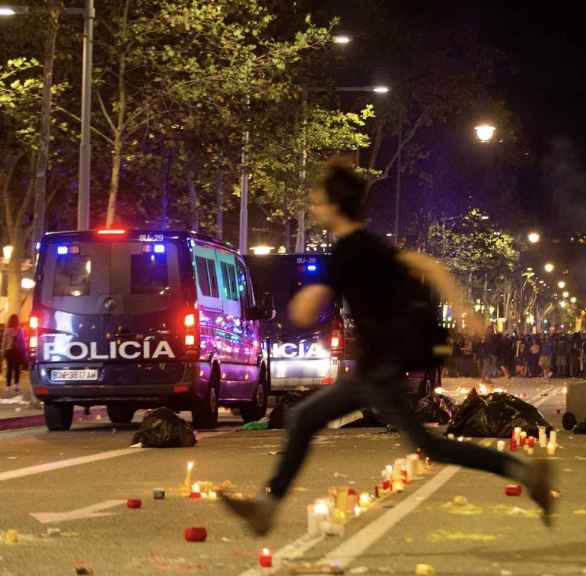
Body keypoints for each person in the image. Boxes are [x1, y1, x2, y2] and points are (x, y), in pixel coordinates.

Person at [221, 161, 554, 534]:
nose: (314, 209)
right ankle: (267, 507)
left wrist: (300, 302)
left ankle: (267, 507)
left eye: (318, 201)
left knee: (320, 422)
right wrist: (463, 308)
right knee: (317, 421)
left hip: (379, 369)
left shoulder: (348, 253)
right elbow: (428, 265)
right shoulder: (374, 246)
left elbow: (308, 308)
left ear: (334, 205)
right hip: (378, 367)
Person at [2, 315, 26, 390]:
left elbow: (4, 343)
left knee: (9, 368)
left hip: (9, 351)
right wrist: (24, 352)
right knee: (17, 369)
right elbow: (23, 342)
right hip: (17, 352)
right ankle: (16, 385)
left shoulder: (7, 330)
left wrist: (3, 353)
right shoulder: (20, 330)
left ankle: (8, 386)